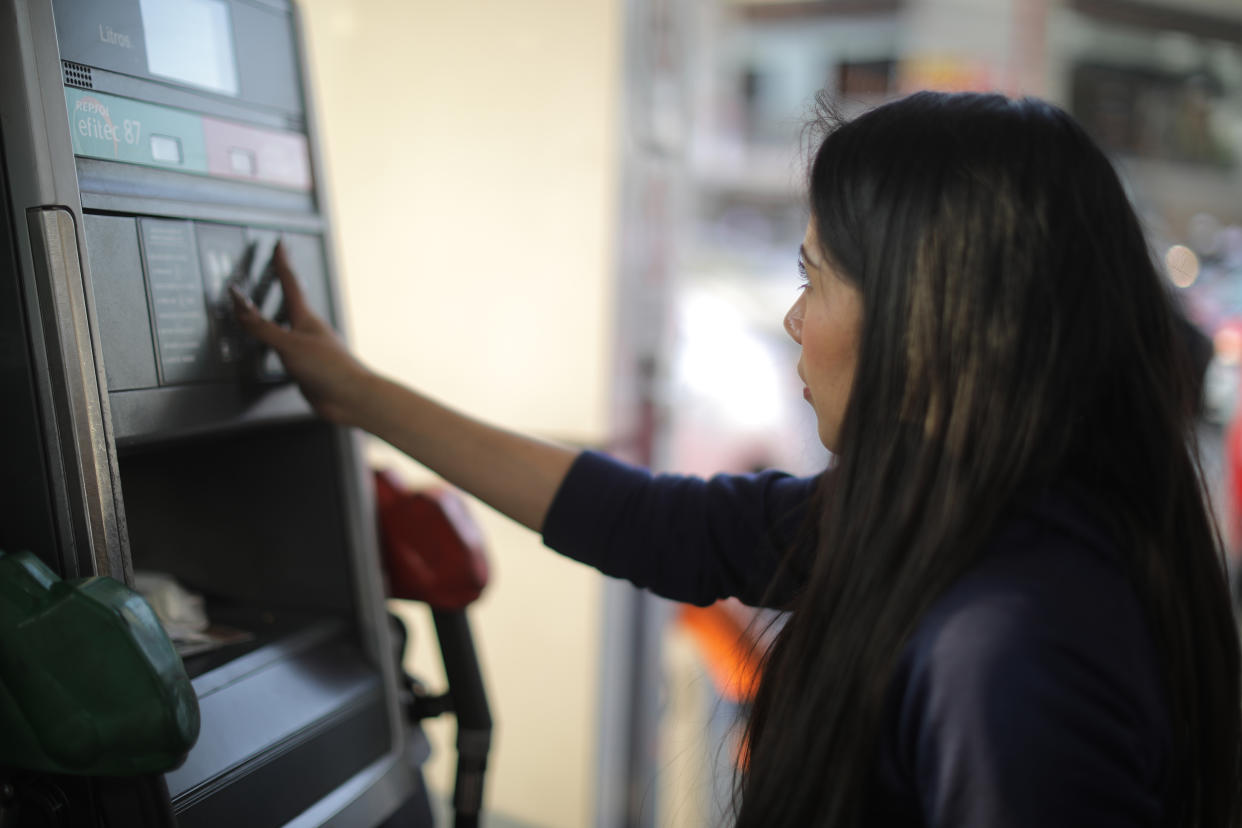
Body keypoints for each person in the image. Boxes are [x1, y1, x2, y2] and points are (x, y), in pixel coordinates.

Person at [232, 91, 1242, 827]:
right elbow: (656, 521)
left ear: (930, 318)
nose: (796, 319)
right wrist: (353, 392)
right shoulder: (964, 518)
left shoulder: (1011, 642)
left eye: (818, 277)